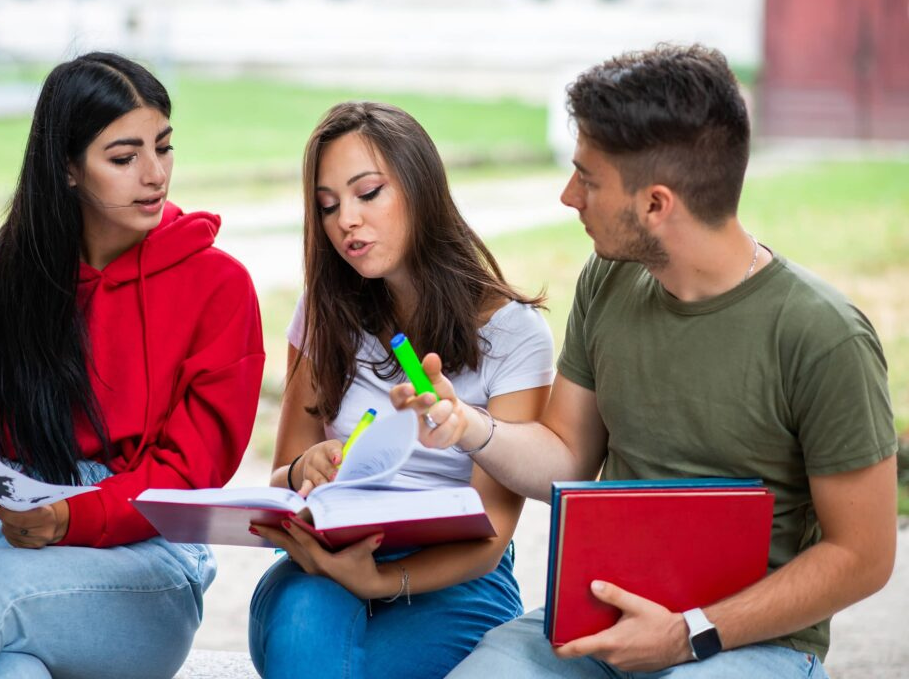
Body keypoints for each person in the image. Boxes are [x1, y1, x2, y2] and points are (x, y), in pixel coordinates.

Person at [392, 44, 898, 678]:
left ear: (656, 204)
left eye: (588, 177)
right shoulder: (608, 278)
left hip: (746, 644)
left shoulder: (823, 336)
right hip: (598, 623)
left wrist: (692, 633)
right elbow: (569, 456)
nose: (567, 195)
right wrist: (469, 426)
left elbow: (865, 555)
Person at [0, 52, 265, 678]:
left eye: (163, 147)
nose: (154, 174)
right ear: (67, 169)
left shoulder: (217, 286)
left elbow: (189, 478)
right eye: (123, 156)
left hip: (138, 567)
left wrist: (67, 515)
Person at [247, 101, 556, 678]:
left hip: (454, 581)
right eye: (329, 206)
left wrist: (384, 579)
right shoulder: (323, 311)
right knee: (303, 637)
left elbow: (491, 534)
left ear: (419, 188)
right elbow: (281, 475)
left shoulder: (515, 334)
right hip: (324, 564)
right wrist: (303, 468)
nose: (346, 221)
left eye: (368, 193)